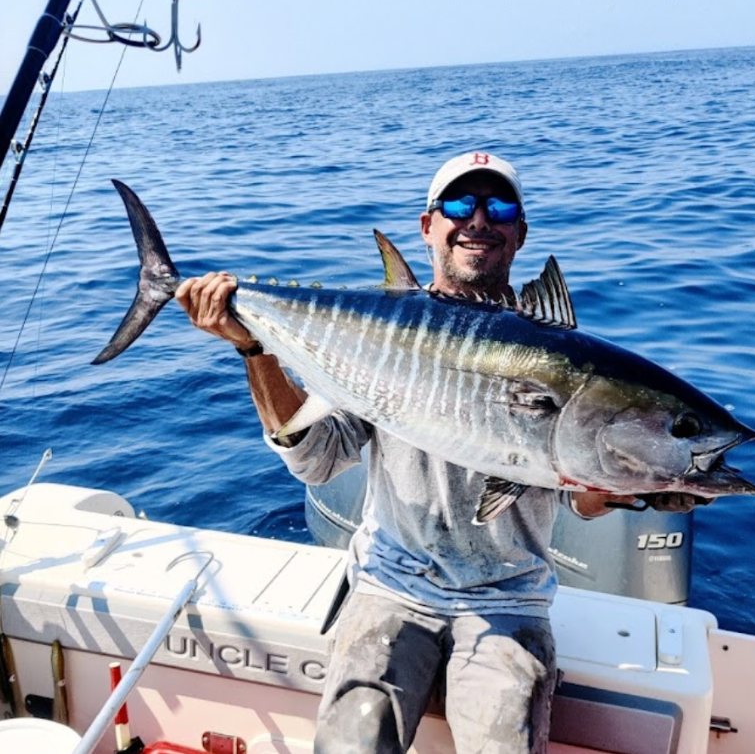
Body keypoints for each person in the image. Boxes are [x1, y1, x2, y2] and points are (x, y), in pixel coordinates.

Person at [175, 151, 700, 754]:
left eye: (498, 207)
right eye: (459, 205)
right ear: (428, 227)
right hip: (389, 586)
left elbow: (580, 497)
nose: (478, 219)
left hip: (510, 598)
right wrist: (254, 350)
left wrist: (634, 489)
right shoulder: (374, 335)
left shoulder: (562, 353)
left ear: (520, 233)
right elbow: (317, 460)